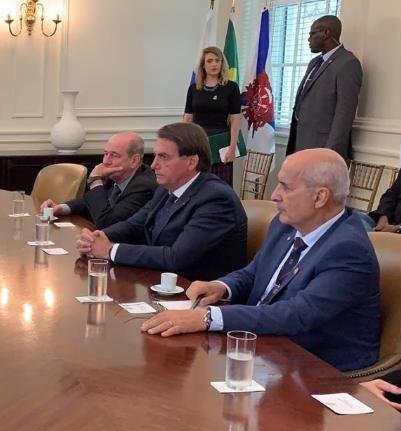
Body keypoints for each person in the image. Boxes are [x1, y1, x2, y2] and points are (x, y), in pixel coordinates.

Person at [142, 149, 380, 373]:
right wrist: (222, 287)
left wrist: (208, 317)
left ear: (319, 197)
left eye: (285, 187)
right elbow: (254, 273)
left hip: (319, 369)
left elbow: (297, 314)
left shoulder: (348, 249)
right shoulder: (284, 225)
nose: (274, 195)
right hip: (265, 348)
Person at [75, 122, 247, 281]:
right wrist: (99, 237)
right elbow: (134, 224)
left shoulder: (216, 199)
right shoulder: (165, 189)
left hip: (198, 295)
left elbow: (176, 257)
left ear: (191, 162)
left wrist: (111, 250)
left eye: (163, 157)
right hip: (162, 284)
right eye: (155, 156)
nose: (153, 165)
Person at [40, 131, 156, 229]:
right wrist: (61, 208)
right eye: (106, 154)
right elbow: (89, 202)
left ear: (134, 160)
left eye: (114, 155)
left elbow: (107, 222)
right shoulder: (117, 175)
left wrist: (95, 180)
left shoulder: (143, 186)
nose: (106, 161)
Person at [286, 15, 362, 160]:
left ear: (326, 33)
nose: (309, 39)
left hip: (322, 150)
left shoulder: (348, 63)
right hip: (301, 144)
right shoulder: (314, 62)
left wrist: (328, 153)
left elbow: (344, 114)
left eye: (312, 34)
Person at [183, 46, 241, 185]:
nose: (214, 64)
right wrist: (184, 145)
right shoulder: (194, 88)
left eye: (217, 60)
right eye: (209, 61)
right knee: (197, 184)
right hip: (198, 142)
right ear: (203, 65)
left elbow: (235, 120)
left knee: (221, 185)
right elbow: (188, 118)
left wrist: (232, 147)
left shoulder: (231, 87)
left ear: (222, 64)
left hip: (221, 144)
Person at [368, 141, 401, 232]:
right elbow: (391, 194)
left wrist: (398, 228)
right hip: (388, 222)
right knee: (352, 220)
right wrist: (383, 216)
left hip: (399, 231)